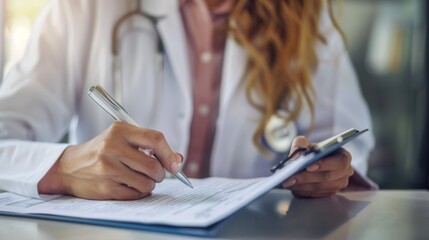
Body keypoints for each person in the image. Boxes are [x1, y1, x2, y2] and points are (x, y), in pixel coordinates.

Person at [0, 0, 376, 200]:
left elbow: (343, 145)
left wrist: (329, 172)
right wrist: (65, 168)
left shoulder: (307, 14)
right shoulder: (84, 7)